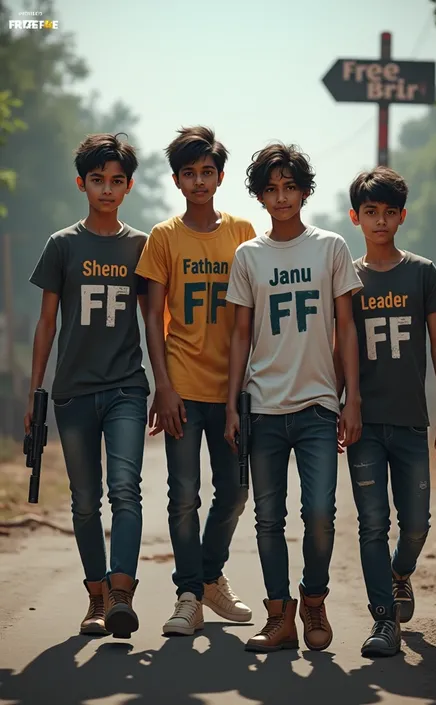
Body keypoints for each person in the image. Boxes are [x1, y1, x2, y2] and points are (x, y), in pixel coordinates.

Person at [224, 143, 362, 653]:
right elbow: (240, 335)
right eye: (271, 188)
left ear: (305, 190)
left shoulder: (331, 247)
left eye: (290, 187)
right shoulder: (249, 255)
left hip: (319, 406)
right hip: (262, 407)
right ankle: (278, 616)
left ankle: (314, 600)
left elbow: (346, 329)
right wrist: (231, 402)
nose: (281, 197)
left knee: (321, 513)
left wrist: (353, 399)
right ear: (260, 196)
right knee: (267, 519)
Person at [26, 133, 150, 639]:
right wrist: (36, 394)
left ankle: (122, 594)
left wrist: (164, 385)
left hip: (126, 387)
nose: (106, 188)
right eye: (97, 180)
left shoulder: (141, 246)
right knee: (83, 500)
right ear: (82, 183)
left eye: (116, 181)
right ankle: (95, 598)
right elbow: (46, 323)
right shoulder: (62, 244)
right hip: (73, 391)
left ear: (128, 187)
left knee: (126, 490)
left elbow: (155, 321)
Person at [135, 126, 254, 637]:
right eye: (190, 173)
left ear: (220, 177)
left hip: (233, 390)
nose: (199, 180)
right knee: (182, 495)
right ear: (178, 180)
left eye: (207, 172)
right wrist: (162, 385)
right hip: (182, 384)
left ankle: (210, 577)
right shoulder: (164, 237)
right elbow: (153, 316)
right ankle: (188, 594)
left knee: (233, 492)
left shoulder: (244, 233)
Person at [341, 166, 436, 658]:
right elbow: (337, 344)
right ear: (355, 217)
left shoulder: (422, 271)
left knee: (416, 523)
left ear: (402, 216)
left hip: (411, 420)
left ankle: (399, 573)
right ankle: (384, 620)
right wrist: (344, 403)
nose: (380, 221)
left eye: (389, 212)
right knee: (372, 524)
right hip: (364, 423)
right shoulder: (346, 275)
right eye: (371, 212)